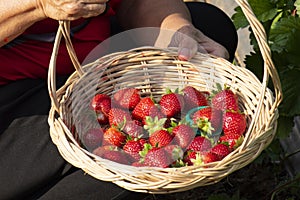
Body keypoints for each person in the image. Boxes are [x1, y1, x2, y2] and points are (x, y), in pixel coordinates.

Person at [0, 0, 238, 199]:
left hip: (84, 69)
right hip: (13, 103)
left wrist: (177, 31)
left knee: (209, 27)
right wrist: (38, 5)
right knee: (106, 156)